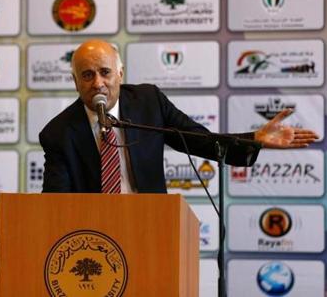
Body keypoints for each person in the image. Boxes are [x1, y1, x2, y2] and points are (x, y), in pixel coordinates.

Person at [39, 39, 318, 193]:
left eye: (105, 72)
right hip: (92, 234)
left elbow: (200, 140)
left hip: (152, 223)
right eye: (87, 75)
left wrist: (254, 139)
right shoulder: (58, 133)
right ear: (75, 82)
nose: (98, 83)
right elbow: (56, 201)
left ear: (120, 73)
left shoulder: (148, 101)